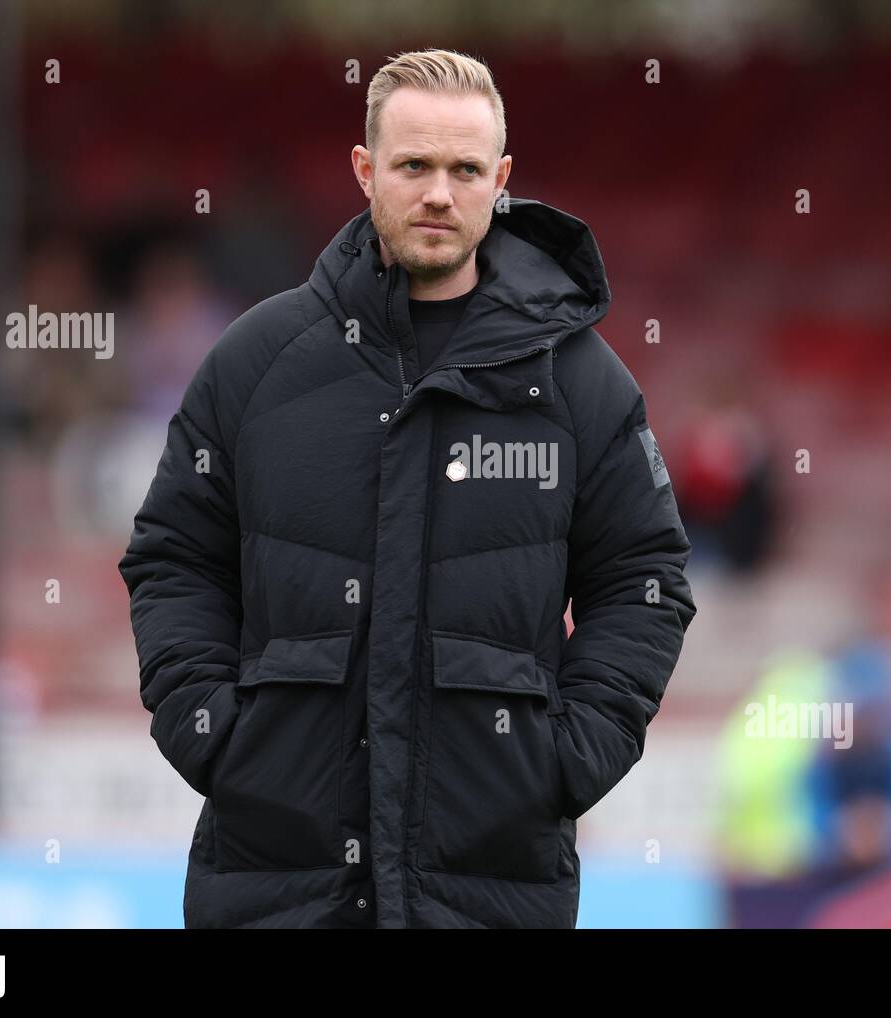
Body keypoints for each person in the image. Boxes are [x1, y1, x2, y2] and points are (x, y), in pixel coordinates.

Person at [118, 48, 697, 929]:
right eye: (414, 166)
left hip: (491, 889)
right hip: (276, 884)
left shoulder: (583, 384)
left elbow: (644, 584)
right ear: (365, 170)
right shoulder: (255, 361)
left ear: (501, 178)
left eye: (466, 170)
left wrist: (567, 760)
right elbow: (174, 558)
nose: (439, 193)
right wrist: (216, 735)